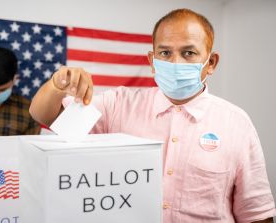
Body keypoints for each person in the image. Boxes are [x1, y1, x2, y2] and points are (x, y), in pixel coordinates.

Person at [29, 9, 275, 222]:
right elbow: (44, 115)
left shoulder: (236, 122)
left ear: (211, 62)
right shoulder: (119, 104)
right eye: (165, 53)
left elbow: (256, 214)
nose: (175, 62)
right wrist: (58, 83)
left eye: (189, 53)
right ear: (152, 60)